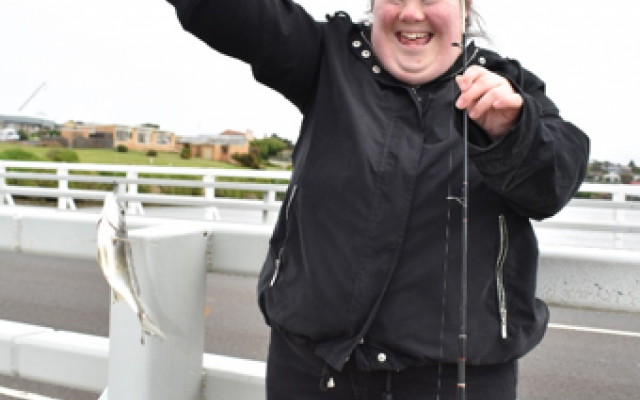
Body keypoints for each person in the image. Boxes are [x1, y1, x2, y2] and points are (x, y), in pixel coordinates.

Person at [165, 0, 589, 399]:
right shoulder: (325, 58)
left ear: (464, 7)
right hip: (310, 371)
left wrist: (511, 131)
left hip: (458, 380)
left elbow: (554, 183)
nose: (411, 13)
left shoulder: (508, 89)